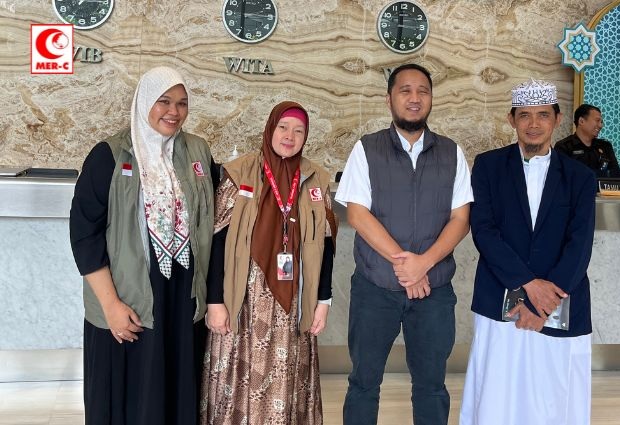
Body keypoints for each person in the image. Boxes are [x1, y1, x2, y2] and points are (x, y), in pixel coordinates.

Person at [69, 66, 216, 425]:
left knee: (175, 392)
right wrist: (111, 306)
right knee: (128, 397)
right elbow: (84, 236)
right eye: (164, 101)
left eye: (182, 103)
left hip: (181, 296)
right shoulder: (109, 155)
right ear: (144, 101)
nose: (174, 111)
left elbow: (221, 205)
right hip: (129, 298)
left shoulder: (197, 150)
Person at [336, 63, 473, 425]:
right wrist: (406, 266)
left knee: (431, 386)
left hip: (434, 291)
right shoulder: (367, 149)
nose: (415, 98)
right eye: (405, 90)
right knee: (364, 383)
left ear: (431, 98)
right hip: (374, 289)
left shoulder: (451, 153)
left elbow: (460, 219)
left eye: (423, 91)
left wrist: (423, 263)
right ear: (389, 99)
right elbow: (358, 214)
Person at [460, 79, 596, 425]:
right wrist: (529, 285)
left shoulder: (580, 176)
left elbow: (580, 243)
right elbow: (484, 231)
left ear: (557, 119)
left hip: (560, 300)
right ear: (512, 120)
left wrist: (544, 302)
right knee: (498, 394)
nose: (533, 124)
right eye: (524, 115)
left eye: (542, 115)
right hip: (500, 297)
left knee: (555, 396)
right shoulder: (488, 166)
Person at [200, 101, 337, 424]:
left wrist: (323, 301)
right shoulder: (239, 174)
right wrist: (214, 301)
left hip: (295, 301)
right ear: (270, 129)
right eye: (283, 127)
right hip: (242, 301)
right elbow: (216, 243)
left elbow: (326, 246)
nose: (290, 136)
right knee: (237, 381)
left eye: (299, 130)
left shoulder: (316, 179)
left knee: (287, 375)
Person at [554, 103, 620, 172]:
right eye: (597, 120)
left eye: (601, 122)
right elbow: (558, 175)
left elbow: (616, 176)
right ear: (581, 121)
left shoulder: (605, 147)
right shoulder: (564, 147)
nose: (601, 125)